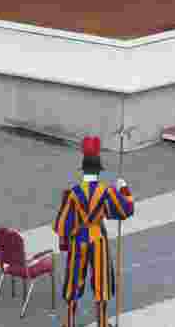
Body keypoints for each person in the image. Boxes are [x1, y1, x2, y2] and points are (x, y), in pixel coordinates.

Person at [53, 136, 135, 327]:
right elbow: (126, 210)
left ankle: (70, 322)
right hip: (98, 238)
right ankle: (102, 323)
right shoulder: (106, 191)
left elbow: (62, 224)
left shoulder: (73, 192)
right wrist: (124, 188)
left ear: (83, 171)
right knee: (101, 282)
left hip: (78, 240)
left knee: (73, 282)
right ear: (99, 172)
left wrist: (66, 240)